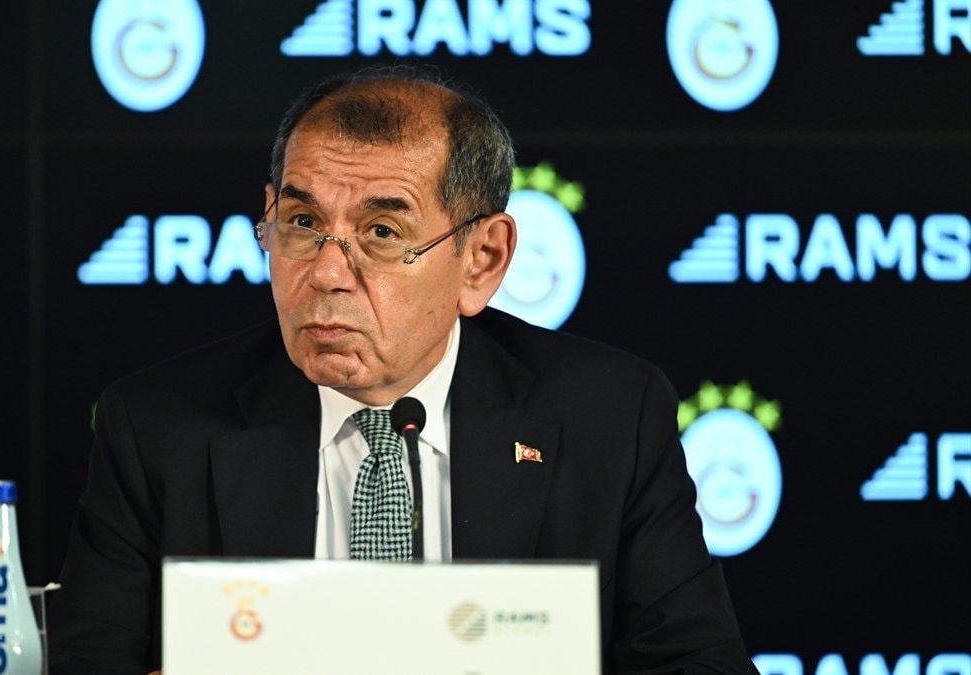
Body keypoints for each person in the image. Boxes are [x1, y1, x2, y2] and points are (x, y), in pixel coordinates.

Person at [47, 65, 757, 674]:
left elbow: (700, 663)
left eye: (382, 232)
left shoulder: (609, 417)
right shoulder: (158, 427)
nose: (326, 272)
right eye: (302, 224)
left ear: (481, 261)